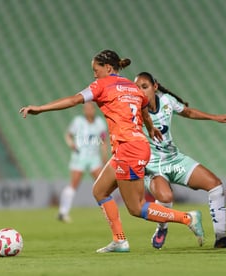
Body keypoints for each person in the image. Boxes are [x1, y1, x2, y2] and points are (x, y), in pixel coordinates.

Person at [20, 50, 204, 253]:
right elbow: (143, 107)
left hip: (128, 149)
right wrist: (150, 127)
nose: (94, 74)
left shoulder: (102, 85)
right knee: (99, 191)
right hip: (131, 147)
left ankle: (188, 218)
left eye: (95, 69)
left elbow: (74, 100)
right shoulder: (131, 87)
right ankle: (119, 240)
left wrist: (40, 108)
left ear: (108, 68)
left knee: (136, 207)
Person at [134, 71, 226, 249]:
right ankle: (162, 227)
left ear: (155, 87)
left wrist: (214, 117)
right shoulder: (133, 109)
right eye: (137, 88)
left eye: (144, 87)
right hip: (152, 166)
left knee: (215, 185)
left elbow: (188, 112)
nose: (140, 92)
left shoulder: (167, 101)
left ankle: (221, 239)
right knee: (166, 196)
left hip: (175, 161)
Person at [58, 102, 108, 223]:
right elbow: (68, 135)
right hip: (80, 156)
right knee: (74, 184)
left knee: (102, 185)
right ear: (84, 110)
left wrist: (104, 155)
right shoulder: (78, 121)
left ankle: (107, 211)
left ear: (94, 110)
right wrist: (71, 145)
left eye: (91, 108)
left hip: (94, 157)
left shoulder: (100, 123)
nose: (89, 111)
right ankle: (63, 212)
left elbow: (103, 140)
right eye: (86, 109)